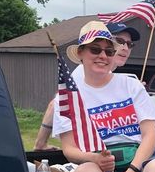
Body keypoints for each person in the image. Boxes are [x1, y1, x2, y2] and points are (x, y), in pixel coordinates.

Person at [52, 20, 155, 172]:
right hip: (97, 160)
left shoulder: (131, 85)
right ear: (80, 53)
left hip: (137, 159)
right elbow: (69, 149)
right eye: (95, 49)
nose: (103, 56)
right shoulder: (67, 97)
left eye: (109, 51)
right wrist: (94, 158)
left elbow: (150, 134)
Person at [34, 22, 141, 151]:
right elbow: (57, 103)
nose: (125, 47)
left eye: (130, 44)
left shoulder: (121, 81)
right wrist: (40, 143)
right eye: (120, 41)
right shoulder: (84, 72)